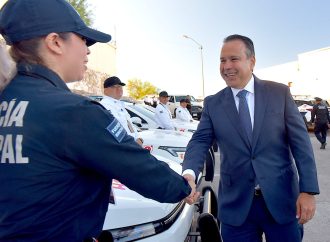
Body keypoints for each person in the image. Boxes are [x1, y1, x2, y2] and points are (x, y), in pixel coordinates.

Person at [0, 0, 197, 241]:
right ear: (55, 42)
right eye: (83, 39)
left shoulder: (8, 98)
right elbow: (142, 171)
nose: (88, 50)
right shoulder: (74, 111)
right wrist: (184, 186)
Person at [182, 34, 319, 242]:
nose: (226, 66)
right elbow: (200, 141)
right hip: (236, 208)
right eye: (222, 60)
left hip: (281, 201)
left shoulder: (279, 93)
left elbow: (301, 144)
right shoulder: (213, 103)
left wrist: (308, 190)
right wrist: (190, 173)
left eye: (233, 59)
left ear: (252, 61)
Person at [100, 76, 143, 145]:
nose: (119, 89)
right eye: (114, 87)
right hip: (123, 146)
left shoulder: (119, 104)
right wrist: (134, 140)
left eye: (120, 86)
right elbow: (117, 131)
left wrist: (138, 138)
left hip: (131, 144)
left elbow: (129, 125)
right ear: (105, 90)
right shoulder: (105, 106)